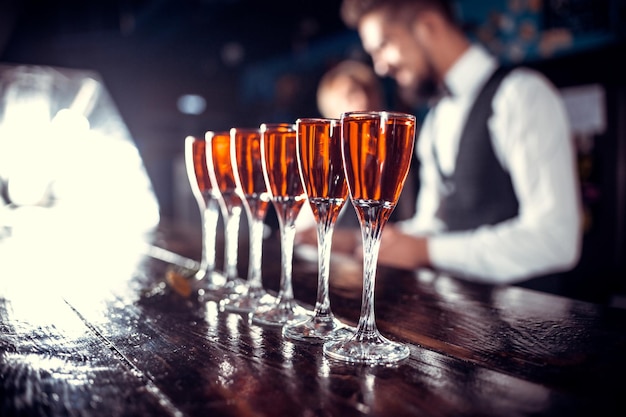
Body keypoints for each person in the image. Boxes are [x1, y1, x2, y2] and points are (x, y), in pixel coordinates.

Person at [330, 0, 582, 284]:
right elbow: (432, 225)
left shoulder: (523, 95)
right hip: (458, 319)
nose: (380, 67)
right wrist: (355, 239)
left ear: (428, 26)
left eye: (384, 45)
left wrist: (425, 250)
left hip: (533, 323)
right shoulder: (437, 118)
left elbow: (556, 239)